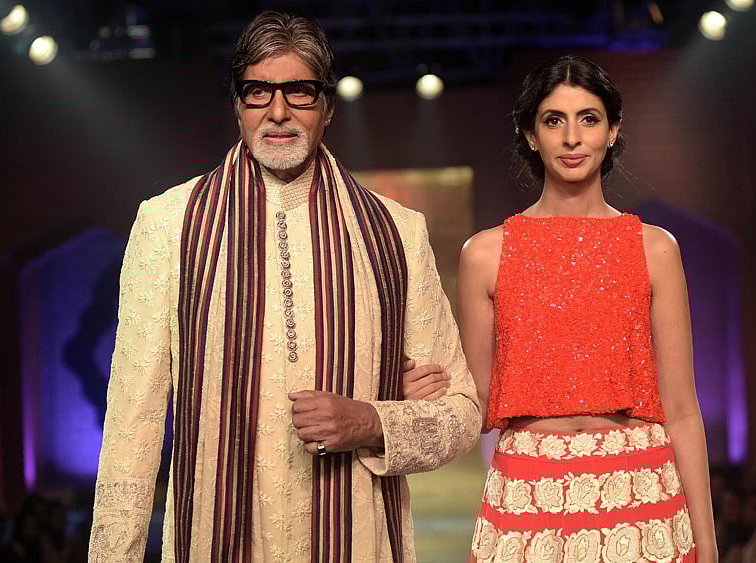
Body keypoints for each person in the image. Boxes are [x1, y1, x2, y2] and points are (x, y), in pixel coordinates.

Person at [88, 10, 479, 562]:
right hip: (217, 541)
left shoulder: (396, 232)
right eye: (258, 92)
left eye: (298, 92)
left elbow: (462, 415)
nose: (278, 112)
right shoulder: (169, 226)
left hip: (358, 539)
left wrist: (368, 420)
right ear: (236, 104)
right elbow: (132, 425)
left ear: (327, 106)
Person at [459, 55, 716, 562]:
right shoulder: (486, 253)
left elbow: (682, 409)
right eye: (554, 120)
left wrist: (706, 543)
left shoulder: (654, 248)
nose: (572, 138)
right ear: (532, 135)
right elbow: (473, 403)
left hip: (640, 492)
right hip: (528, 494)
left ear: (613, 131)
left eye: (589, 119)